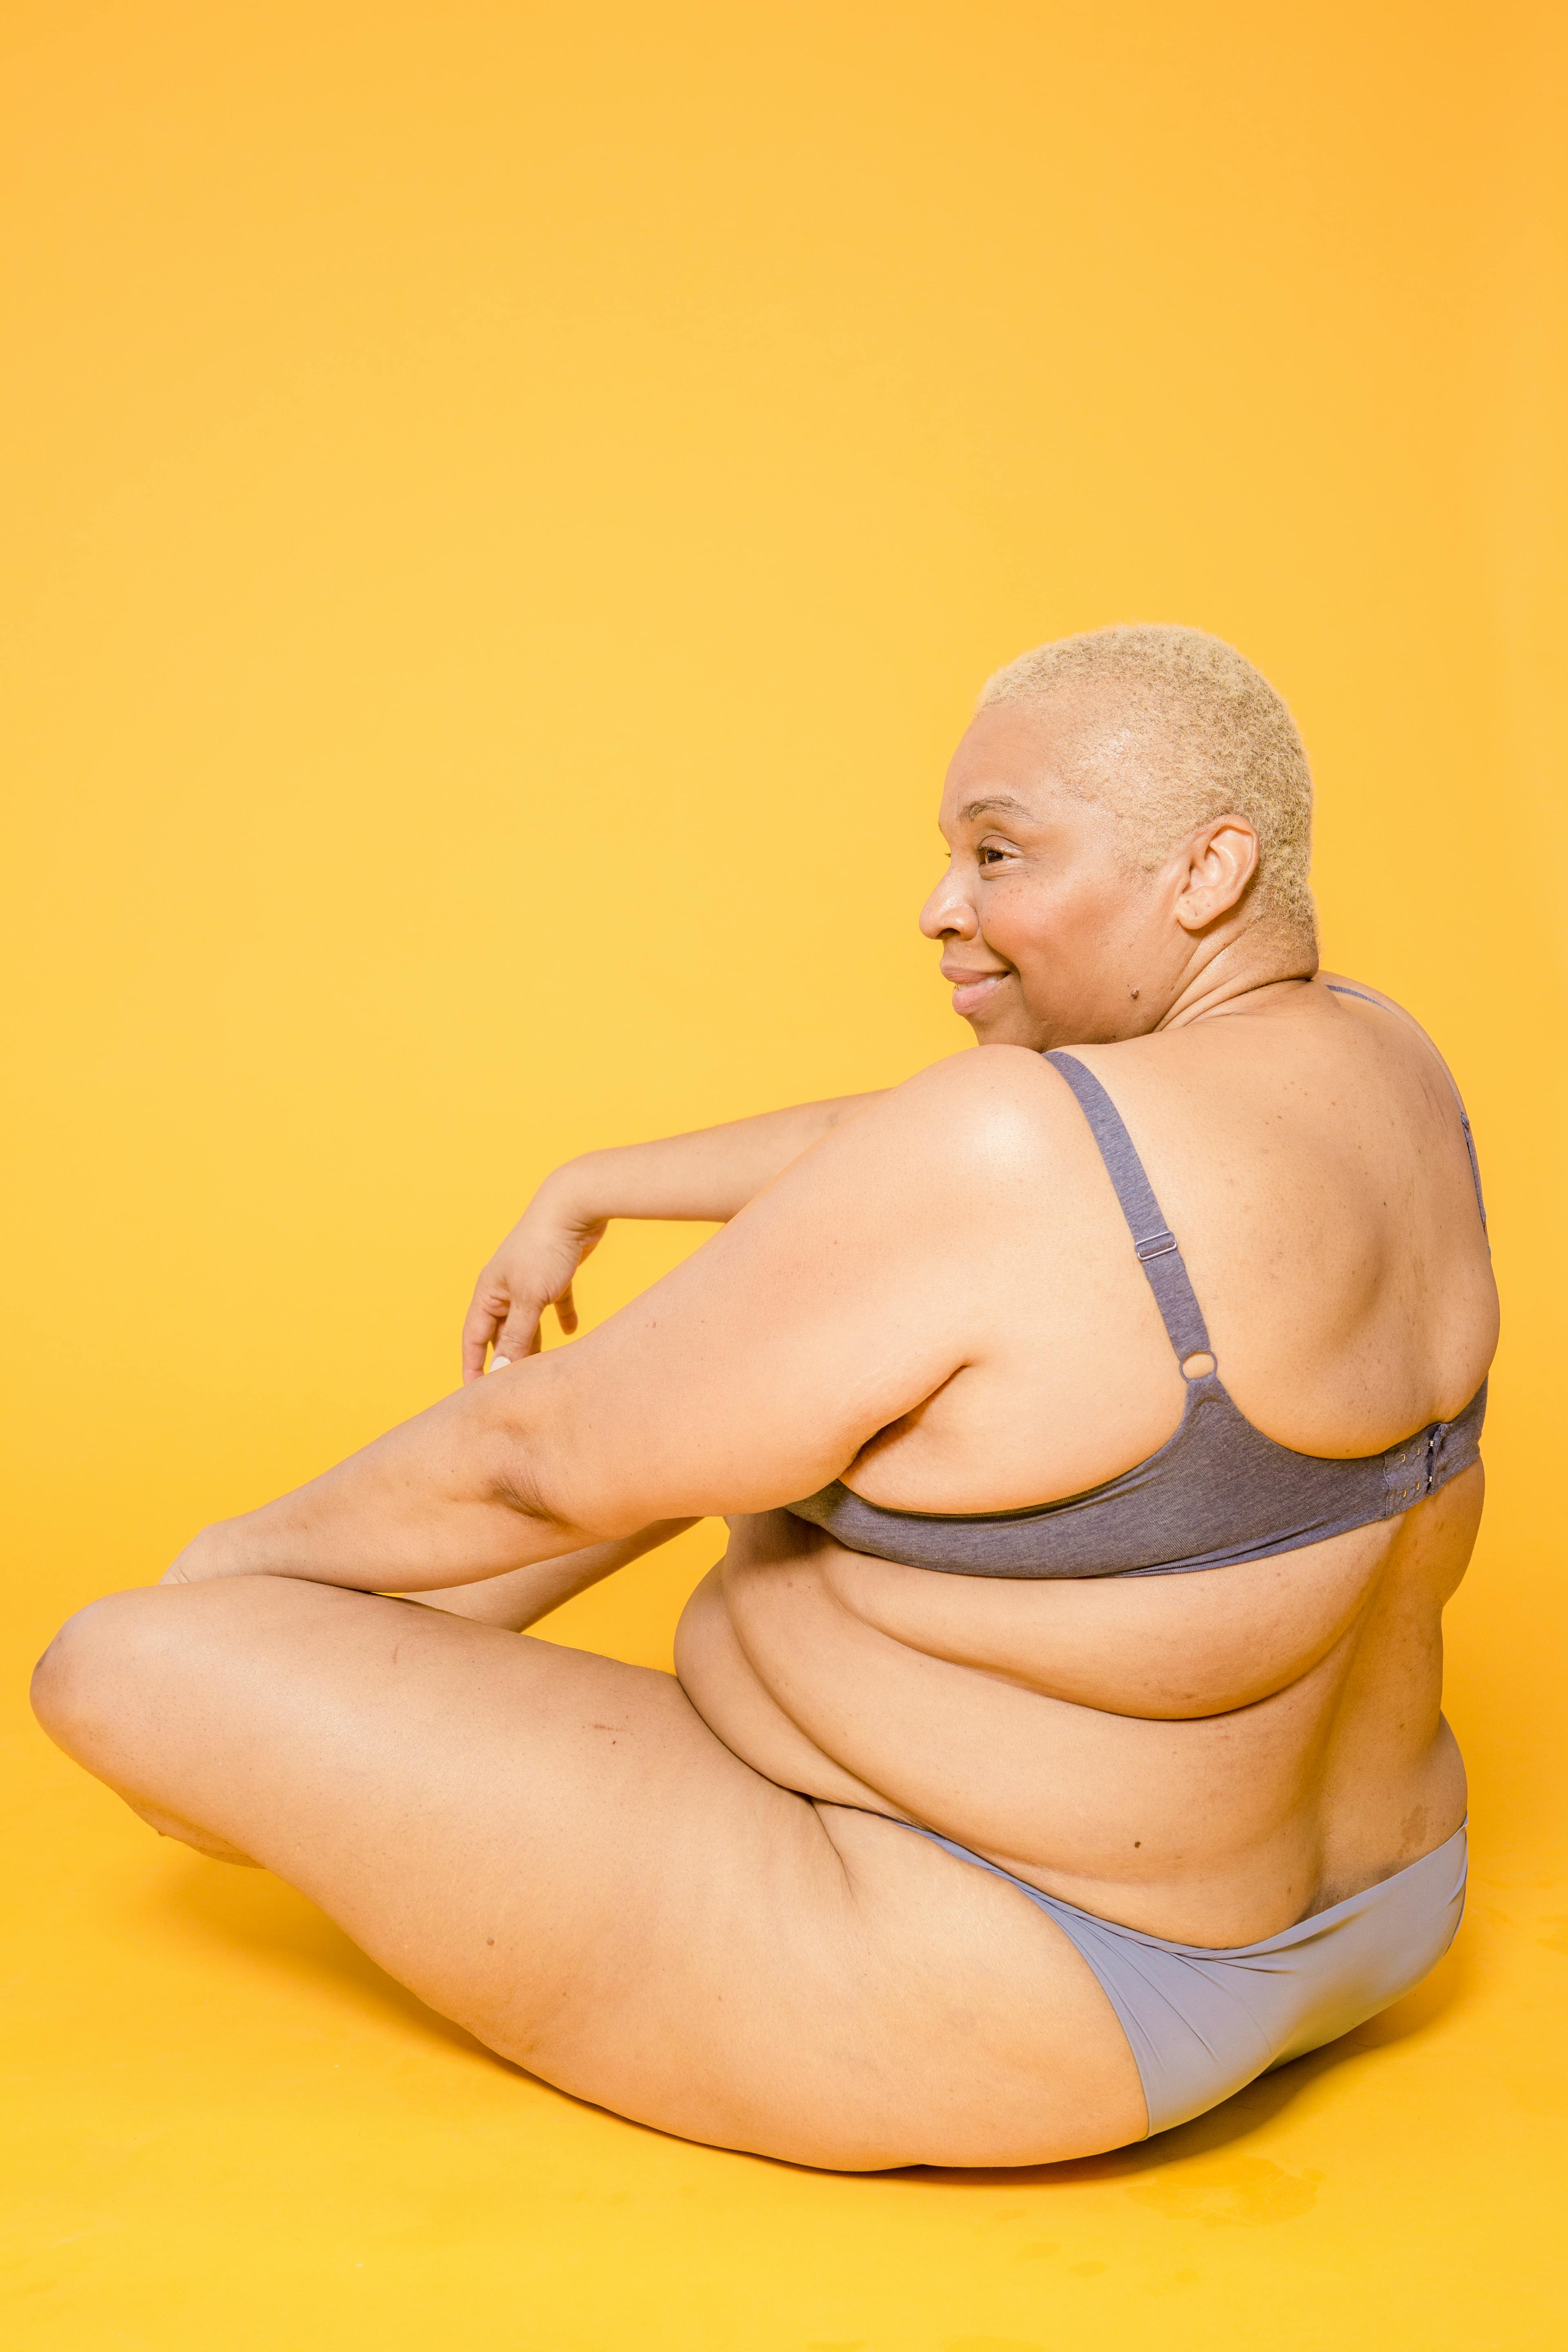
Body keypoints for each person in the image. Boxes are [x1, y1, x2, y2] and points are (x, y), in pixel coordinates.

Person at [31, 626, 1497, 2171]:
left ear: (1204, 873)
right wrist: (603, 1182)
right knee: (800, 1397)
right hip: (1389, 1901)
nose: (943, 909)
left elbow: (534, 1458)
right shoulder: (1383, 1063)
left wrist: (239, 1572)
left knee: (125, 1665)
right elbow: (919, 1145)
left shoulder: (1011, 1149)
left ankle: (251, 1628)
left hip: (1032, 1999)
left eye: (1000, 855)